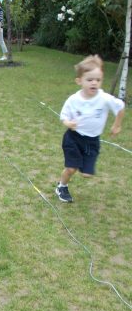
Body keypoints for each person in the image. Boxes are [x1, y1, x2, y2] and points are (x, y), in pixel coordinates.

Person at [55, 55, 125, 203]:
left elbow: (120, 107)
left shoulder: (104, 98)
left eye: (98, 80)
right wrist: (69, 123)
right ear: (79, 81)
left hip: (92, 141)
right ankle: (62, 186)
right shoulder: (74, 100)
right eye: (90, 79)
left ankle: (71, 175)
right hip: (73, 138)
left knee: (87, 173)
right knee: (72, 168)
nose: (94, 83)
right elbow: (63, 116)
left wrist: (117, 124)